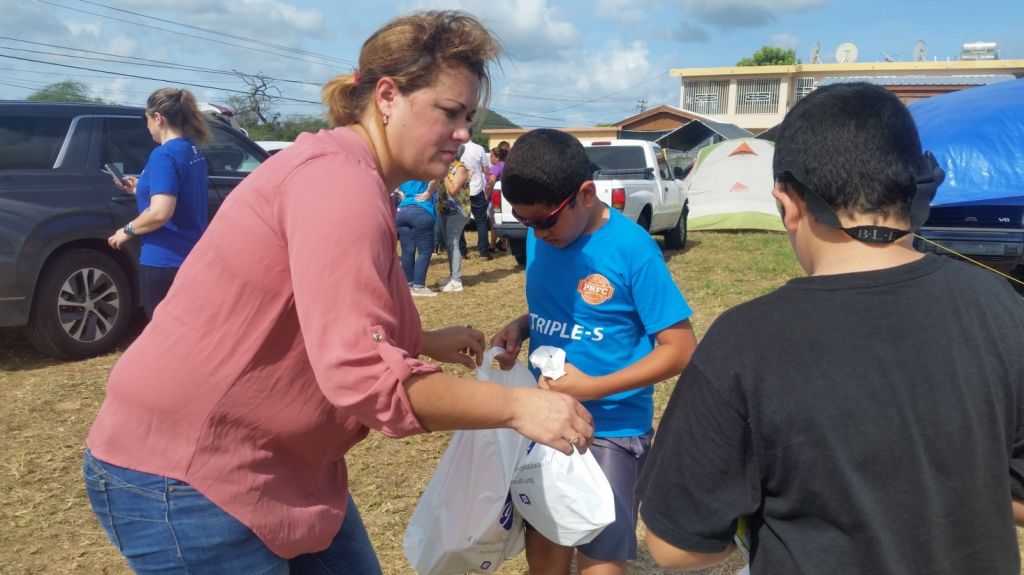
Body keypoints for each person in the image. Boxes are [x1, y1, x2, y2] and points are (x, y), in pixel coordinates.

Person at [83, 11, 595, 575]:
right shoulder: (338, 184)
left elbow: (326, 310)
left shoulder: (358, 178)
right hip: (191, 474)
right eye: (449, 113)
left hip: (284, 466)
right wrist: (519, 406)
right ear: (387, 96)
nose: (464, 134)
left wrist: (421, 337)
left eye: (469, 117)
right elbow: (362, 376)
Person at [636, 83, 1024, 574]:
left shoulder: (745, 342)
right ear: (917, 186)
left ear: (787, 201)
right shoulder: (1003, 309)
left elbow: (676, 546)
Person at [491, 128, 697, 575]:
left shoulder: (632, 249)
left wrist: (594, 386)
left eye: (545, 221)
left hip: (612, 429)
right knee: (545, 549)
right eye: (525, 222)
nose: (537, 234)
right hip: (545, 421)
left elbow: (680, 349)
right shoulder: (542, 235)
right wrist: (522, 328)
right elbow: (562, 312)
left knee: (600, 560)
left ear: (586, 194)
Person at [107, 87, 211, 320]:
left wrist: (127, 230)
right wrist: (139, 188)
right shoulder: (192, 149)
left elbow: (161, 212)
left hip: (164, 261)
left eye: (147, 119)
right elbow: (180, 193)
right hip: (192, 256)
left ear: (158, 118)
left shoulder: (163, 155)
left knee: (165, 333)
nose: (146, 126)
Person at [396, 179, 439, 296]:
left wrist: (398, 192)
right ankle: (419, 286)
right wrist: (429, 192)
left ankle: (408, 284)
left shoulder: (404, 166)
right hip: (422, 209)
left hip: (403, 209)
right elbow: (435, 178)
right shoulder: (423, 167)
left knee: (407, 251)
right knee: (425, 252)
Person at [437, 153, 471, 292]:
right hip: (444, 210)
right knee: (449, 244)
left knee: (453, 243)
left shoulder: (460, 168)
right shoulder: (447, 168)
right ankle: (453, 276)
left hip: (457, 211)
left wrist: (444, 174)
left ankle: (456, 281)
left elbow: (453, 190)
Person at [461, 131, 493, 259]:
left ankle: (462, 251)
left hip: (462, 189)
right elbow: (486, 170)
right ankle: (484, 251)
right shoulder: (479, 149)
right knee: (481, 221)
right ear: (472, 134)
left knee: (461, 221)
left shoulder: (457, 148)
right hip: (477, 188)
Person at [486, 140, 510, 253]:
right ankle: (503, 244)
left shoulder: (496, 167)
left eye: (491, 156)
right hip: (505, 197)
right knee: (503, 222)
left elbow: (491, 182)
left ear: (496, 157)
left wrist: (486, 195)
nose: (490, 158)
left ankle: (492, 245)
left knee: (494, 223)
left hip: (495, 198)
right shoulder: (506, 166)